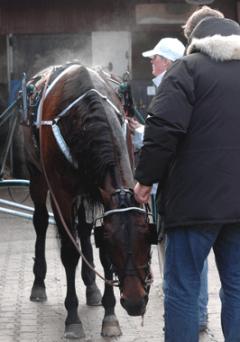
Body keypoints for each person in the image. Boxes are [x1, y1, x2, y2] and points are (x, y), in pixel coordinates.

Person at [134, 13, 240, 342]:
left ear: (192, 36)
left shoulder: (186, 70)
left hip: (192, 204)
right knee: (237, 288)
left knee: (182, 290)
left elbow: (163, 128)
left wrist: (145, 179)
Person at [128, 36, 209, 332]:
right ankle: (196, 314)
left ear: (170, 62)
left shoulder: (173, 84)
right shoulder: (183, 84)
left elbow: (170, 135)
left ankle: (195, 317)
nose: (152, 63)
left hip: (179, 186)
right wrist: (142, 131)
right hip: (196, 187)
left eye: (156, 58)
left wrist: (144, 179)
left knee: (187, 259)